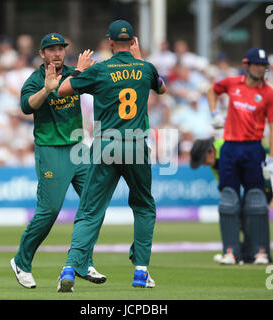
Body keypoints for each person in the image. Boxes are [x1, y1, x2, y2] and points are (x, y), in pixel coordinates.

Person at [56, 20, 166, 292]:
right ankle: (141, 271)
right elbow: (161, 88)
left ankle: (70, 266)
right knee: (143, 206)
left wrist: (80, 69)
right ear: (133, 42)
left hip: (106, 144)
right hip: (136, 144)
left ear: (110, 42)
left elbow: (62, 90)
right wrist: (141, 60)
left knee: (90, 209)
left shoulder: (101, 69)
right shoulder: (146, 68)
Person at [10, 32, 105, 289]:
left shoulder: (75, 72)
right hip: (51, 148)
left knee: (93, 203)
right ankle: (21, 261)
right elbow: (27, 106)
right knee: (50, 210)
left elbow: (98, 85)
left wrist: (99, 72)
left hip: (78, 148)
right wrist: (46, 89)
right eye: (51, 49)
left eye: (60, 48)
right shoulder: (35, 78)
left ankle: (83, 262)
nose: (57, 53)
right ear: (42, 54)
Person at [207, 48, 273, 265]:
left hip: (253, 148)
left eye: (263, 65)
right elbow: (211, 91)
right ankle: (230, 251)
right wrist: (214, 113)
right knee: (229, 200)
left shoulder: (269, 93)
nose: (260, 69)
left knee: (256, 201)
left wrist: (272, 158)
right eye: (256, 64)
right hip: (230, 148)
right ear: (247, 65)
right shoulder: (232, 83)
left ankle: (260, 252)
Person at [190, 137, 273, 264]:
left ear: (210, 151)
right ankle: (247, 253)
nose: (204, 164)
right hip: (249, 180)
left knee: (252, 213)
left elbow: (262, 152)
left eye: (203, 160)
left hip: (265, 179)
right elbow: (223, 186)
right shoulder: (214, 163)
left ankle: (257, 252)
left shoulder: (226, 146)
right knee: (241, 216)